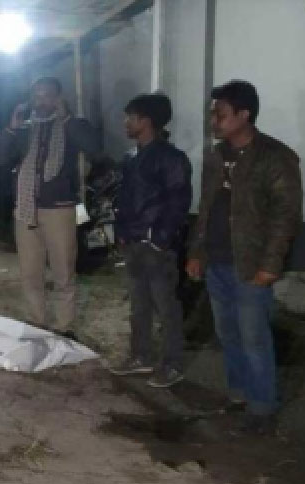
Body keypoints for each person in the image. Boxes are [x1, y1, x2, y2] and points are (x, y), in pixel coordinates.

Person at [185, 80, 303, 435]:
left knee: (254, 338)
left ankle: (262, 407)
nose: (213, 121)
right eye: (213, 114)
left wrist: (270, 265)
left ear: (244, 115)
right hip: (217, 261)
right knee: (228, 335)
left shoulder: (275, 156)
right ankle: (239, 394)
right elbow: (206, 208)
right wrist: (197, 252)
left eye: (220, 114)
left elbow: (285, 216)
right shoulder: (217, 156)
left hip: (250, 264)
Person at [0, 77, 101, 339]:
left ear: (58, 98)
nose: (41, 102)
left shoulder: (72, 126)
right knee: (30, 273)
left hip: (59, 210)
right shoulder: (24, 130)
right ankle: (35, 323)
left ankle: (64, 327)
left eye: (48, 96)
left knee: (63, 272)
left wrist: (67, 119)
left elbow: (94, 147)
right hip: (25, 210)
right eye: (37, 96)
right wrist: (11, 128)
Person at [108, 94, 193, 388]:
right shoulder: (132, 157)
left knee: (166, 307)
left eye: (130, 117)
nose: (125, 123)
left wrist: (160, 239)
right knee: (139, 305)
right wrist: (122, 233)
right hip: (134, 242)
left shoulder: (171, 158)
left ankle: (172, 364)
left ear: (146, 121)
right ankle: (141, 356)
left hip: (155, 246)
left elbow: (178, 202)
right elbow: (126, 200)